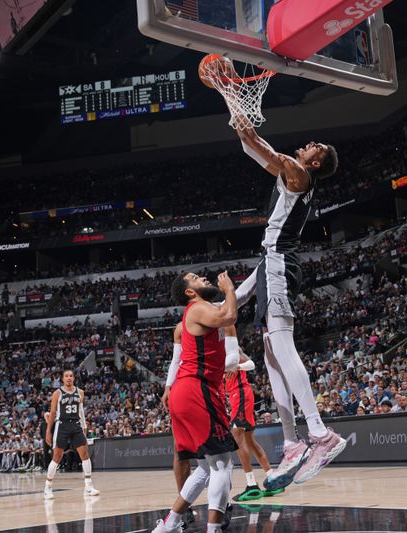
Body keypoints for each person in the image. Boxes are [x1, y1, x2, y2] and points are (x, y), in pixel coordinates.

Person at [223, 109, 344, 490]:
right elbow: (249, 145)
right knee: (271, 356)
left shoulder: (298, 172)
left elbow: (259, 143)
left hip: (279, 266)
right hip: (270, 263)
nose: (308, 144)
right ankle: (292, 442)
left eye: (315, 146)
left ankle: (320, 433)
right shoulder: (291, 175)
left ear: (317, 160)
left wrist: (234, 100)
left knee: (281, 346)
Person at [153, 271, 240, 533]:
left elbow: (227, 314)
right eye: (195, 277)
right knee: (223, 462)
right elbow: (230, 315)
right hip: (197, 389)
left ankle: (170, 523)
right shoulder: (198, 308)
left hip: (183, 391)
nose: (202, 277)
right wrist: (229, 289)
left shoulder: (199, 312)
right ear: (190, 291)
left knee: (204, 468)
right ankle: (213, 529)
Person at [226, 349, 282, 502]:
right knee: (249, 441)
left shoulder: (232, 348)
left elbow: (251, 364)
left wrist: (237, 367)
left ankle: (251, 485)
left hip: (241, 394)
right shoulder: (218, 351)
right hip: (238, 396)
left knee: (237, 438)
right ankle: (272, 478)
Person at [161, 322, 196, 529]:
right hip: (183, 387)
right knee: (180, 450)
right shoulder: (180, 327)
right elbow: (176, 360)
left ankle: (222, 504)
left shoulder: (219, 314)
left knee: (213, 454)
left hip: (208, 385)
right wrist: (167, 386)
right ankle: (184, 504)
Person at [44, 369, 99, 499]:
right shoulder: (57, 393)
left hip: (76, 424)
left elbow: (81, 411)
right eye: (66, 376)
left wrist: (84, 426)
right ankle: (48, 487)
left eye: (71, 376)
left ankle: (88, 486)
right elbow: (52, 413)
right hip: (62, 425)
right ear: (62, 379)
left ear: (73, 378)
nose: (69, 378)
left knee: (85, 454)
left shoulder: (80, 392)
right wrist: (48, 431)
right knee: (57, 456)